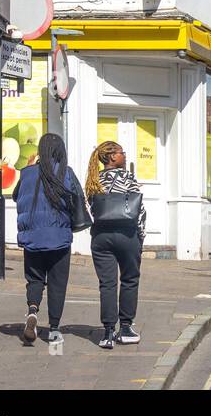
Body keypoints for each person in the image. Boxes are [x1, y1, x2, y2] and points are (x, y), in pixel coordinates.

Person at [14, 133, 86, 346]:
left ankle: (32, 310)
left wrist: (28, 168)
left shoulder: (27, 174)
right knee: (57, 284)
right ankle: (54, 330)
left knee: (35, 279)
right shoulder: (66, 173)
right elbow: (78, 200)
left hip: (33, 238)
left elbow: (17, 196)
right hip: (59, 239)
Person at [85, 140, 146, 349]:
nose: (125, 156)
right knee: (129, 279)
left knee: (107, 284)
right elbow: (141, 211)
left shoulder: (94, 180)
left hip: (101, 237)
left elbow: (91, 209)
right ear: (112, 156)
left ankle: (108, 332)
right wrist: (141, 238)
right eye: (122, 152)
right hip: (126, 235)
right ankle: (126, 328)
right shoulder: (127, 177)